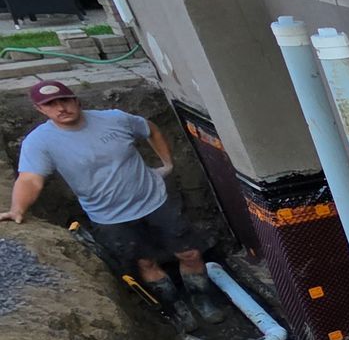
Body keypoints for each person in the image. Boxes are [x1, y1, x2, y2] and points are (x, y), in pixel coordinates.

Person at [3, 80, 225, 326]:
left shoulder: (115, 119)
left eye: (64, 100)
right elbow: (31, 180)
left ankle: (202, 298)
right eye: (50, 105)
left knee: (190, 253)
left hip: (155, 201)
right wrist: (17, 209)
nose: (60, 108)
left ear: (76, 100)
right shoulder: (40, 142)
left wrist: (167, 164)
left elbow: (150, 130)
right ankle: (176, 306)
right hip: (109, 217)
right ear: (40, 110)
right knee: (145, 262)